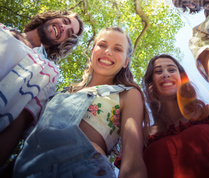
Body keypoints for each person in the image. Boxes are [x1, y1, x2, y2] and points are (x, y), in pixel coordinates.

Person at [13, 27, 148, 178]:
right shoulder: (59, 94)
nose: (108, 52)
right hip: (28, 170)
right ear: (92, 50)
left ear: (125, 62)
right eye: (102, 45)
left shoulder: (126, 93)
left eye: (117, 49)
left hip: (85, 170)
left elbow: (132, 160)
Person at [0, 9, 84, 165]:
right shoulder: (2, 29)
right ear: (52, 16)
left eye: (69, 33)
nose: (63, 28)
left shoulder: (47, 73)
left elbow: (16, 128)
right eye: (65, 21)